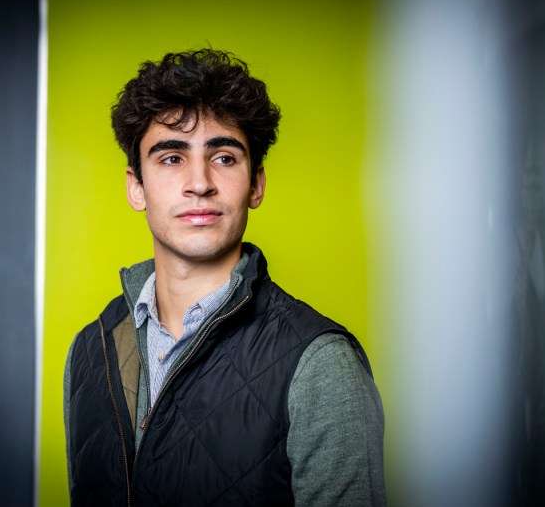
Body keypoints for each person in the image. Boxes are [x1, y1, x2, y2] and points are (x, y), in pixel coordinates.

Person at [63, 49, 385, 506]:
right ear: (136, 187)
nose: (199, 182)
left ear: (256, 185)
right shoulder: (89, 351)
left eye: (225, 158)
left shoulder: (322, 365)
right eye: (172, 158)